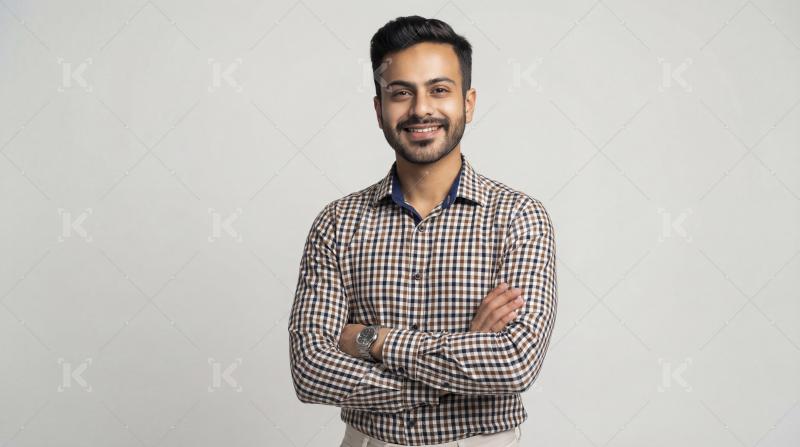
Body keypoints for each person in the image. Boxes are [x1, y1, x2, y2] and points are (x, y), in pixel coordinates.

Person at [288, 15, 557, 447]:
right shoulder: (337, 223)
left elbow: (514, 363)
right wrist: (464, 356)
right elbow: (310, 370)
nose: (420, 109)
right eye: (401, 93)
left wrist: (372, 340)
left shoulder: (518, 217)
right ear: (379, 109)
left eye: (439, 89)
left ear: (467, 103)